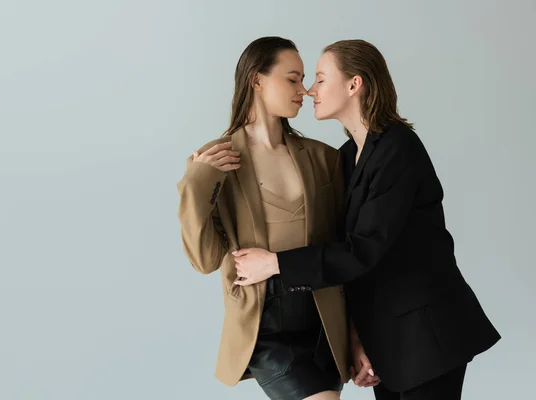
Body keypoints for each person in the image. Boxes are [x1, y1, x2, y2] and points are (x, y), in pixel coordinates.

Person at [231, 39, 501, 400]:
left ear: (354, 85)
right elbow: (349, 259)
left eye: (321, 79)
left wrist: (275, 264)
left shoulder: (398, 148)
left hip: (427, 334)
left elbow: (362, 250)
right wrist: (357, 339)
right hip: (388, 338)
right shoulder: (347, 157)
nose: (310, 90)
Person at [177, 37, 375, 400]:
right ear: (257, 80)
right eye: (292, 79)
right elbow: (204, 260)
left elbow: (342, 254)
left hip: (323, 324)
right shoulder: (214, 162)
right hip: (266, 326)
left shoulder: (324, 159)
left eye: (303, 80)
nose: (304, 90)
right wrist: (195, 183)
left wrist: (355, 337)